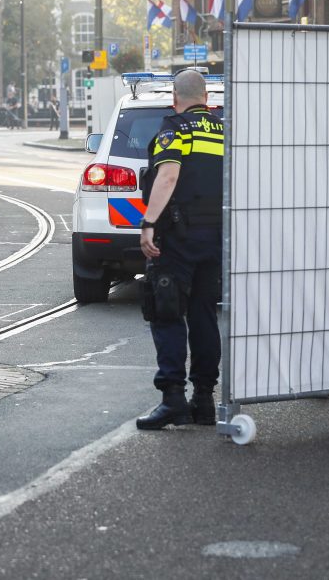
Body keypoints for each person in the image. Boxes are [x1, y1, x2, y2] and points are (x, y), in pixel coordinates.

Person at [136, 70, 224, 430]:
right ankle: (204, 400)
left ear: (176, 97)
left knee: (167, 310)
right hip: (217, 238)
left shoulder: (176, 128)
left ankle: (172, 398)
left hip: (179, 237)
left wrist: (149, 224)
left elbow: (168, 175)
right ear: (206, 97)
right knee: (205, 315)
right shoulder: (223, 130)